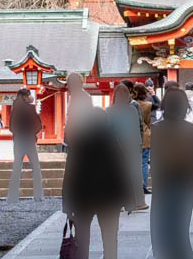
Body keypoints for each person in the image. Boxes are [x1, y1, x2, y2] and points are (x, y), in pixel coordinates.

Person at [62, 72, 129, 259]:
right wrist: (127, 198)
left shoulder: (80, 143)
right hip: (109, 198)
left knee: (82, 239)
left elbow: (71, 174)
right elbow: (121, 171)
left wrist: (67, 202)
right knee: (110, 239)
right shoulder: (112, 142)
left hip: (84, 198)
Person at [151, 88, 193, 259]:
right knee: (180, 228)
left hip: (164, 182)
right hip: (184, 182)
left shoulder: (156, 130)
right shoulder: (191, 130)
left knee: (161, 228)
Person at [108, 84, 148, 212]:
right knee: (122, 175)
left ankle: (136, 202)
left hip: (129, 145)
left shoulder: (115, 110)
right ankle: (125, 201)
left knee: (133, 175)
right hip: (122, 146)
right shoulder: (113, 111)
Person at [7, 88, 45, 202]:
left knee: (17, 167)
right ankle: (38, 196)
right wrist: (31, 132)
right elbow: (38, 124)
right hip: (29, 138)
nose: (31, 97)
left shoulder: (15, 108)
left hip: (18, 139)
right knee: (35, 167)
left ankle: (12, 196)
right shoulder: (29, 108)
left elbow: (11, 127)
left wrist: (18, 133)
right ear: (25, 96)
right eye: (29, 95)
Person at [133, 82, 154, 194]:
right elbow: (149, 122)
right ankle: (144, 185)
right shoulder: (148, 105)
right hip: (145, 135)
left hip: (132, 135)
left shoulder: (130, 104)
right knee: (144, 162)